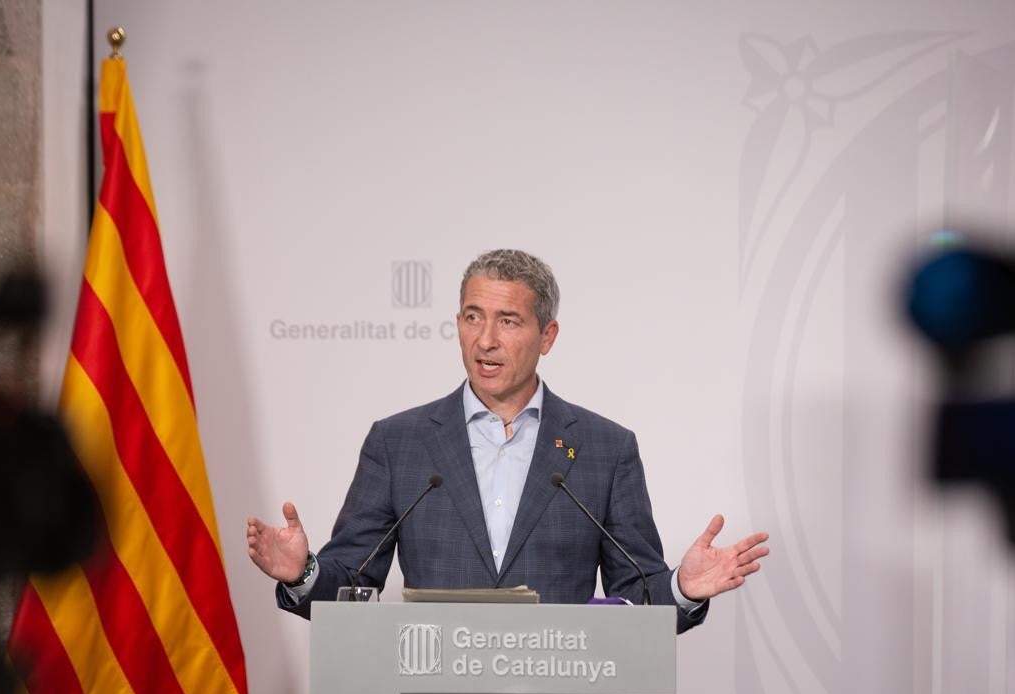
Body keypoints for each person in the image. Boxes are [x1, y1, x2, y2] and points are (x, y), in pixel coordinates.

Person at [247, 249, 769, 633]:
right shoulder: (398, 444)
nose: (486, 339)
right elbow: (350, 584)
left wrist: (681, 588)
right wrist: (303, 571)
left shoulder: (605, 450)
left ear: (547, 337)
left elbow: (636, 596)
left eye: (508, 321)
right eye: (473, 317)